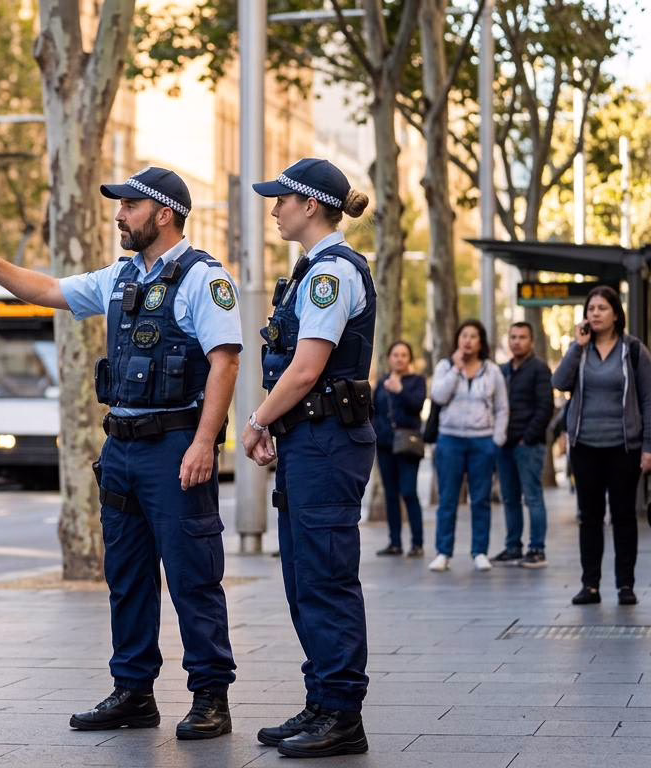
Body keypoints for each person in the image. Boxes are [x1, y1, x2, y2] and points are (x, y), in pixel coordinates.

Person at [0, 165, 242, 742]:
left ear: (164, 213)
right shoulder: (121, 276)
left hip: (176, 446)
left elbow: (225, 360)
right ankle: (133, 691)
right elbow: (48, 291)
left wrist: (205, 443)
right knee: (126, 577)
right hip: (122, 450)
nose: (118, 215)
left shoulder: (205, 279)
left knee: (192, 577)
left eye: (129, 206)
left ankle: (210, 696)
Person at [240, 158, 373, 758]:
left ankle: (342, 713)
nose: (274, 208)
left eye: (282, 199)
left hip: (328, 444)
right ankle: (323, 699)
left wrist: (258, 419)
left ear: (311, 205)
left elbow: (307, 368)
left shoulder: (330, 274)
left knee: (324, 576)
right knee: (302, 577)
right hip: (309, 440)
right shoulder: (309, 271)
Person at [553, 286, 651, 606]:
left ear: (616, 314)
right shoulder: (579, 349)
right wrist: (576, 348)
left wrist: (648, 447)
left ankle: (625, 585)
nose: (594, 313)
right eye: (590, 308)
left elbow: (649, 401)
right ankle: (590, 584)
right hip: (585, 446)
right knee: (590, 516)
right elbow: (560, 383)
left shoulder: (634, 350)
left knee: (623, 515)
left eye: (601, 308)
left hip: (624, 447)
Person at [428, 321, 508, 573]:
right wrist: (456, 369)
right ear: (457, 339)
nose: (468, 341)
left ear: (481, 342)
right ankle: (443, 552)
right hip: (450, 440)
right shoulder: (445, 366)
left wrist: (497, 440)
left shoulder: (492, 371)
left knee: (481, 499)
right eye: (464, 335)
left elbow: (502, 407)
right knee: (448, 499)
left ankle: (480, 551)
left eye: (474, 336)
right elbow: (438, 397)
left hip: (482, 442)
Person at [494, 322, 554, 569]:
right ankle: (513, 547)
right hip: (504, 444)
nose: (517, 341)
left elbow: (545, 408)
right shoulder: (502, 370)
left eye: (522, 337)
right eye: (513, 337)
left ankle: (537, 549)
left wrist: (527, 437)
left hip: (527, 445)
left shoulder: (539, 369)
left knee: (533, 497)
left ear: (531, 341)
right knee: (509, 498)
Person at [373, 341, 426, 557]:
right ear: (389, 358)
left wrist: (400, 390)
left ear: (409, 359)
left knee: (409, 492)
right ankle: (395, 543)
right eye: (395, 355)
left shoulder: (416, 381)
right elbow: (374, 410)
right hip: (385, 444)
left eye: (404, 355)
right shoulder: (382, 382)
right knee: (391, 494)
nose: (399, 358)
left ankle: (417, 543)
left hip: (407, 444)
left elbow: (417, 405)